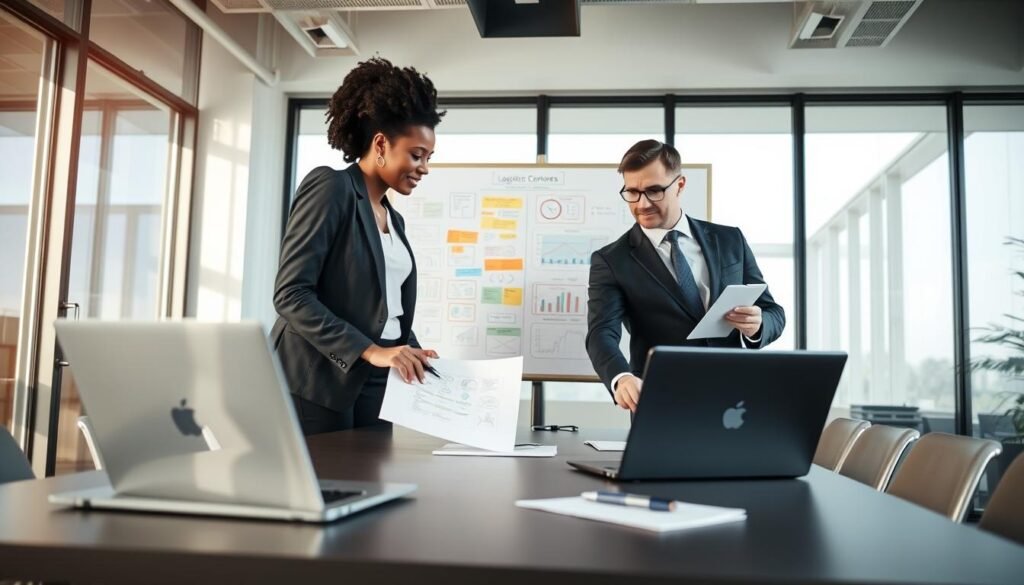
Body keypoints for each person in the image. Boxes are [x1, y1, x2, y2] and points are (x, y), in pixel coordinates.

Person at [271, 57, 445, 435]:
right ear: (381, 143)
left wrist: (407, 348)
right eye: (417, 155)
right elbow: (291, 294)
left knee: (372, 483)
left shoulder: (393, 219)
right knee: (326, 488)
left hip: (377, 379)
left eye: (429, 158)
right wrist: (372, 350)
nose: (425, 168)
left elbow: (384, 306)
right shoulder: (332, 188)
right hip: (317, 379)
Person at [586, 139, 785, 412]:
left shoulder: (730, 241)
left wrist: (757, 325)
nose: (641, 204)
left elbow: (773, 312)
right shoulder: (612, 260)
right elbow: (601, 333)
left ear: (680, 185)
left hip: (735, 399)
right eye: (632, 192)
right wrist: (621, 378)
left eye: (654, 191)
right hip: (661, 400)